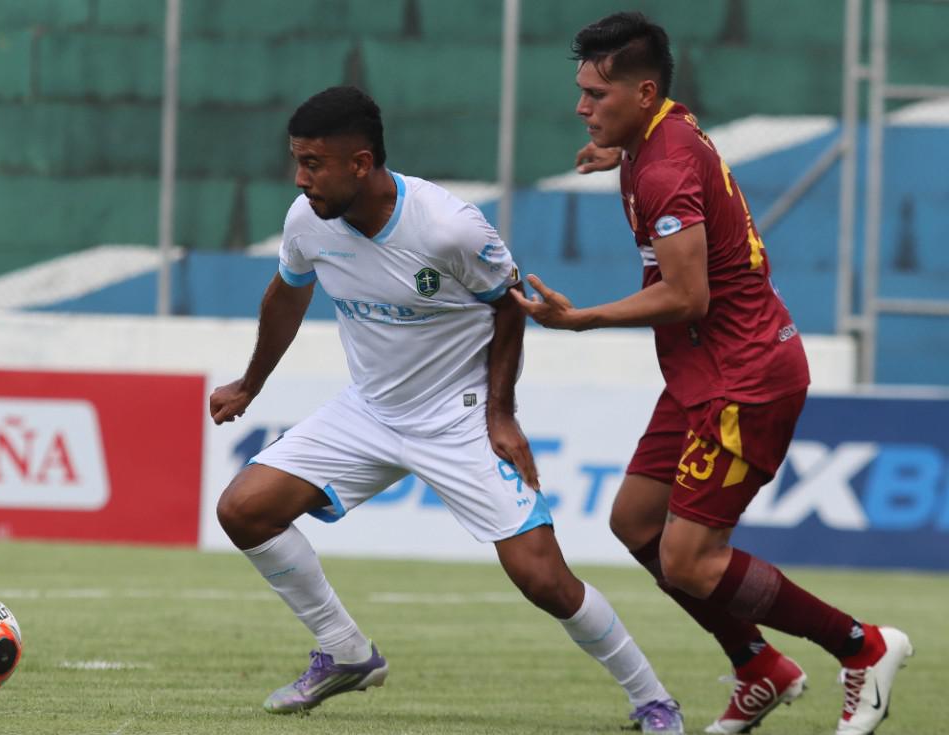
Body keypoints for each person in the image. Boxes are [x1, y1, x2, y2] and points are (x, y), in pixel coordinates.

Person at [209, 85, 685, 733]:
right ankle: (345, 650)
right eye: (297, 160)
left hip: (457, 416)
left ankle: (652, 698)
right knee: (243, 509)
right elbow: (286, 297)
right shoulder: (306, 220)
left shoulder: (448, 227)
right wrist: (249, 384)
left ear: (360, 162)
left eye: (313, 163)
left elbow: (509, 309)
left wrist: (501, 413)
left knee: (543, 578)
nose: (300, 178)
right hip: (368, 411)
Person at [511, 12, 912, 735]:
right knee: (633, 519)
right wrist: (619, 153)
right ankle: (758, 665)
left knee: (692, 560)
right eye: (581, 91)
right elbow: (675, 158)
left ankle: (863, 645)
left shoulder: (661, 164)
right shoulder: (660, 130)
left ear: (643, 91)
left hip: (744, 379)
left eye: (596, 95)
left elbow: (686, 295)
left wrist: (584, 319)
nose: (581, 106)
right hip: (703, 372)